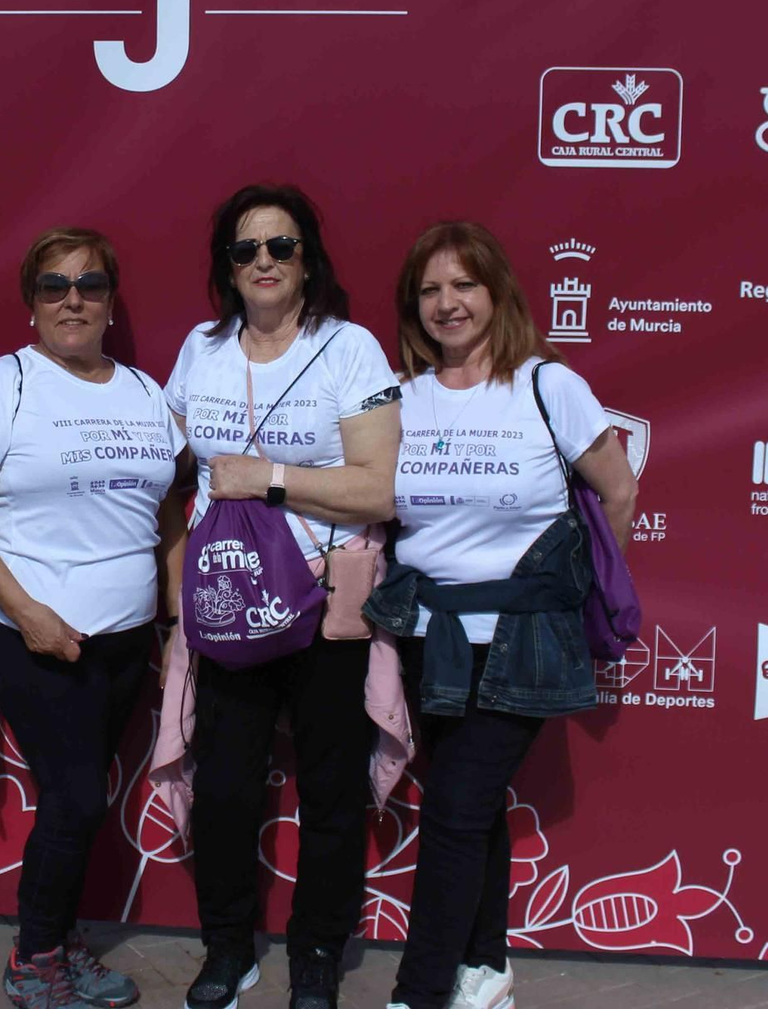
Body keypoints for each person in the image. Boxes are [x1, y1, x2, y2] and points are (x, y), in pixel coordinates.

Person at [366, 221, 637, 1009]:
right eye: (429, 289)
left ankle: (418, 992)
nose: (447, 303)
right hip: (430, 637)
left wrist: (564, 591)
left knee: (453, 809)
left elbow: (617, 492)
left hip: (525, 640)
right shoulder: (399, 396)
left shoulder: (548, 384)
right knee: (467, 806)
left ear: (497, 291)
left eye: (463, 284)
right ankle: (484, 969)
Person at [0, 228, 184, 1009]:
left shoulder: (147, 393)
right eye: (53, 285)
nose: (72, 298)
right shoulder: (2, 383)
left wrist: (175, 623)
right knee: (75, 797)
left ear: (112, 299)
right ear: (31, 302)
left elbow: (170, 516)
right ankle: (33, 957)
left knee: (85, 796)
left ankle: (63, 939)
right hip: (31, 632)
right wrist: (25, 611)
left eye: (90, 283)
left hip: (122, 635)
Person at [165, 185, 401, 1009]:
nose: (262, 260)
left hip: (324, 601)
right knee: (226, 788)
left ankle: (316, 955)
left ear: (308, 261)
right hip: (229, 599)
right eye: (245, 248)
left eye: (281, 246)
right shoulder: (202, 348)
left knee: (331, 793)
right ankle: (226, 948)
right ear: (226, 268)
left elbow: (380, 488)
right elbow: (174, 473)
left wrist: (265, 476)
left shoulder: (350, 349)